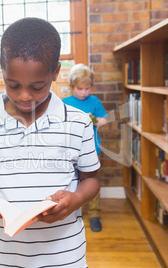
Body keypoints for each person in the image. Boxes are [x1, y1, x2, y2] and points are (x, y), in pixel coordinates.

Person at [0, 17, 100, 267]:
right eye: (13, 85)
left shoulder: (78, 122)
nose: (24, 96)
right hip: (5, 255)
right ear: (2, 69)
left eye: (37, 86)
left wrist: (76, 200)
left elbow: (91, 179)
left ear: (56, 72)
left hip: (65, 255)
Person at [63, 63, 107, 232]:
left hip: (93, 149)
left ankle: (95, 214)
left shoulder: (94, 101)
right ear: (72, 87)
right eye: (80, 89)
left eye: (87, 88)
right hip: (70, 151)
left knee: (92, 180)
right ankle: (73, 210)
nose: (84, 92)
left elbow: (103, 120)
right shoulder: (65, 103)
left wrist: (94, 120)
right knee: (72, 181)